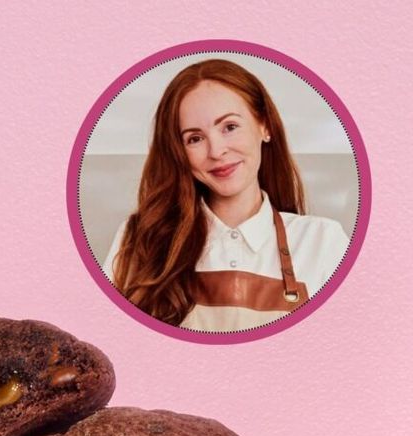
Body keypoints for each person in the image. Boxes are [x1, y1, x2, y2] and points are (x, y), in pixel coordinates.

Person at [103, 59, 349, 331]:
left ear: (264, 126)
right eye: (195, 138)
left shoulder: (323, 242)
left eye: (229, 127)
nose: (216, 151)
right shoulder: (139, 239)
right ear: (179, 153)